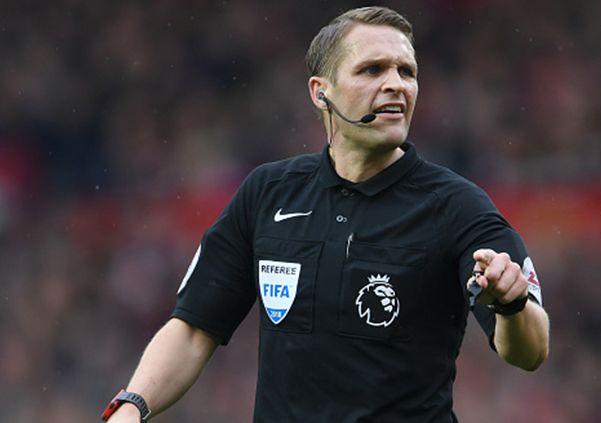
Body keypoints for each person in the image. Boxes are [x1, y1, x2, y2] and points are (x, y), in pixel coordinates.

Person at [101, 6, 549, 422]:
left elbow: (530, 351)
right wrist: (133, 405)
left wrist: (511, 306)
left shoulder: (457, 205)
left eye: (406, 71)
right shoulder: (268, 193)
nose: (396, 83)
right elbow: (195, 327)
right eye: (372, 69)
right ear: (321, 93)